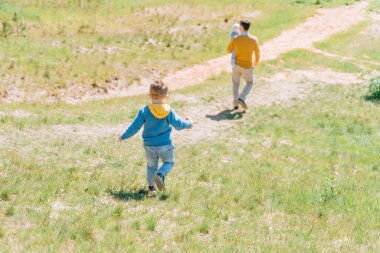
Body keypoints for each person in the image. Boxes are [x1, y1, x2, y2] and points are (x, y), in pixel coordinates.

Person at [118, 80, 193, 196]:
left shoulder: (144, 111)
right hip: (165, 145)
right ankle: (161, 174)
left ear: (149, 96)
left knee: (151, 166)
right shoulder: (168, 111)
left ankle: (151, 189)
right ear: (165, 97)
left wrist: (123, 136)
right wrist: (189, 123)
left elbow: (135, 127)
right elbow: (179, 125)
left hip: (149, 146)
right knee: (169, 162)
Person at [227, 19, 260, 110]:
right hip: (247, 66)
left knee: (235, 84)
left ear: (241, 27)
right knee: (249, 83)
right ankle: (242, 97)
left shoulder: (236, 39)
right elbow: (257, 53)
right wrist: (255, 62)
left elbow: (228, 50)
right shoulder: (253, 39)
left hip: (237, 65)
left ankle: (235, 104)